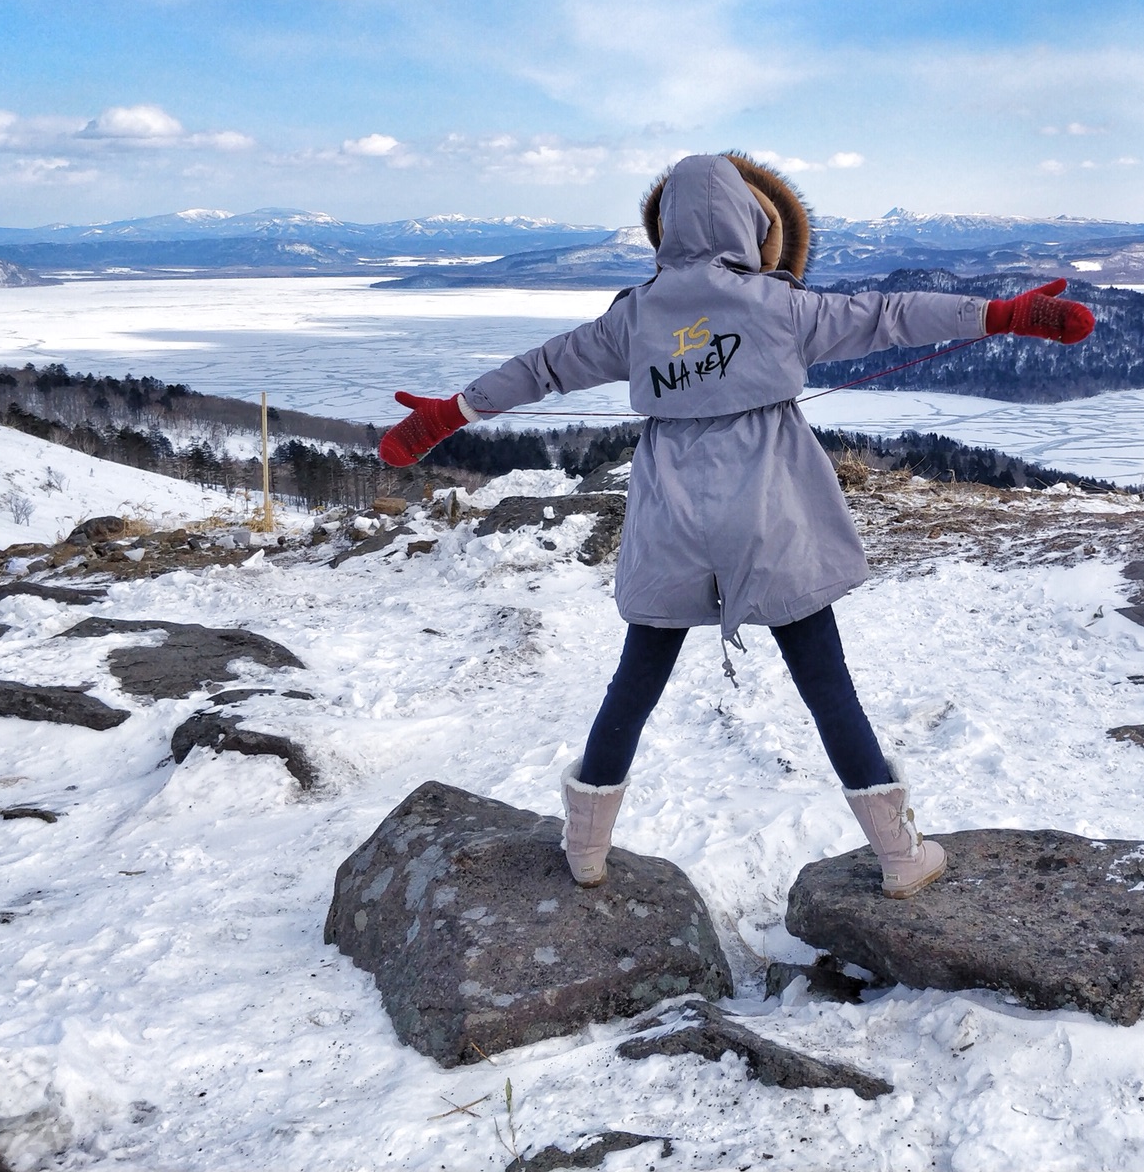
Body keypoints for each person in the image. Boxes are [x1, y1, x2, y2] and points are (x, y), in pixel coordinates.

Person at [378, 153, 1095, 898]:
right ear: (755, 225)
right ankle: (899, 856)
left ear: (664, 230)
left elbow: (542, 367)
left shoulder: (635, 316)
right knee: (825, 684)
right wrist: (1009, 314)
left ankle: (585, 851)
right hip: (773, 515)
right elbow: (893, 314)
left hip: (670, 519)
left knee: (636, 679)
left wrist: (447, 414)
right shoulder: (780, 306)